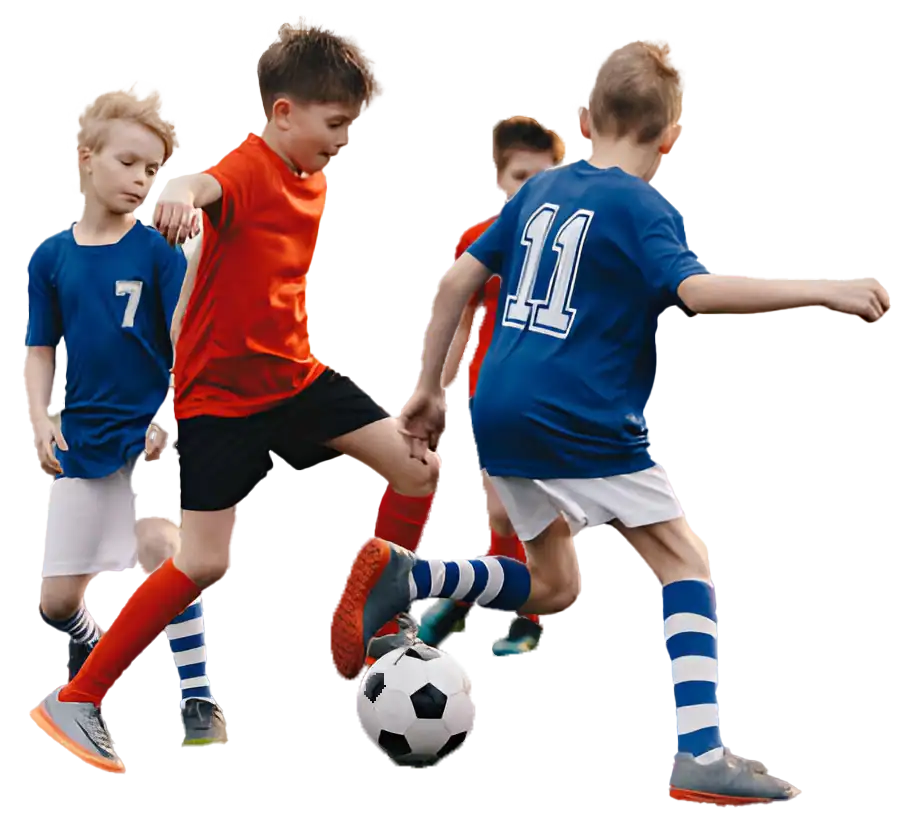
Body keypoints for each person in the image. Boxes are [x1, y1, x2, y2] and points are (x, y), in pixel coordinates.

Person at [330, 41, 890, 805]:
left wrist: (424, 391)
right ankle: (698, 756)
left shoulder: (540, 189)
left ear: (587, 117)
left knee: (556, 586)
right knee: (684, 563)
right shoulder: (637, 203)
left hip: (501, 408)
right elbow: (695, 292)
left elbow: (457, 276)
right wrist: (822, 289)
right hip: (575, 414)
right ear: (668, 138)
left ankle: (412, 574)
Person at [26, 17, 441, 777]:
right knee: (204, 562)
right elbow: (202, 184)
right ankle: (77, 697)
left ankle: (378, 603)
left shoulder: (312, 176)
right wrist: (179, 199)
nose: (343, 143)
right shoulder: (248, 167)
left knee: (416, 468)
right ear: (284, 115)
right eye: (334, 126)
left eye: (351, 128)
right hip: (218, 399)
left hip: (295, 377)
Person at [25, 82, 225, 754]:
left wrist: (171, 414)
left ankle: (196, 695)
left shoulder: (159, 254)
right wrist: (38, 417)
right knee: (55, 601)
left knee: (164, 552)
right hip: (82, 438)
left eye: (152, 169)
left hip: (148, 434)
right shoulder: (50, 258)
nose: (141, 179)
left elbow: (185, 335)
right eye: (129, 162)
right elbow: (41, 347)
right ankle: (94, 654)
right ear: (84, 160)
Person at [377, 115, 560, 660]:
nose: (532, 189)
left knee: (525, 512)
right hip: (496, 397)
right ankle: (496, 610)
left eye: (544, 178)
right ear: (498, 178)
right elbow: (461, 328)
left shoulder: (567, 245)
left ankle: (487, 606)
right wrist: (426, 392)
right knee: (507, 512)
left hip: (557, 397)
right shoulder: (478, 241)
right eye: (522, 176)